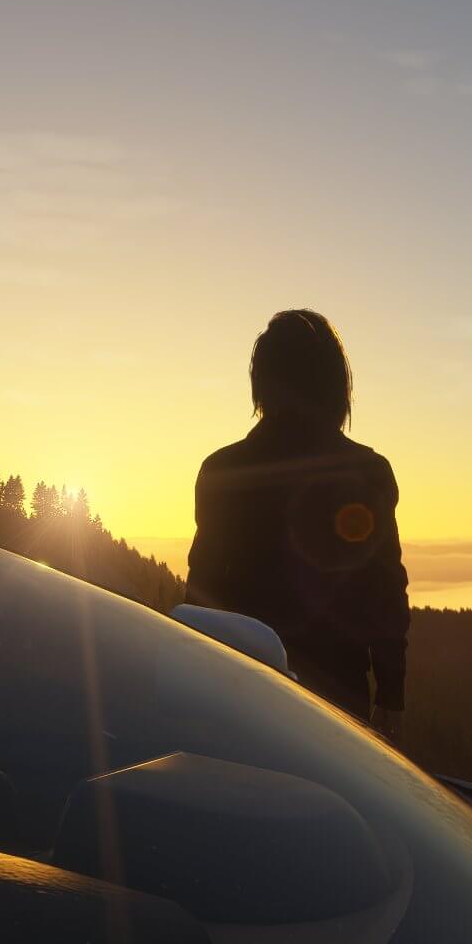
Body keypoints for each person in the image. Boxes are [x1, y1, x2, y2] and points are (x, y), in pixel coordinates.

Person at [187, 310, 409, 736]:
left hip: (241, 692)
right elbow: (385, 592)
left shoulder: (222, 470)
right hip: (339, 703)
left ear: (262, 381)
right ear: (335, 385)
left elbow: (202, 593)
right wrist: (391, 695)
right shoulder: (367, 472)